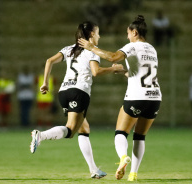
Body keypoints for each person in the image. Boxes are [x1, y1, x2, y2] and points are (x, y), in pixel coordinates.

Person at [30, 21, 125, 179]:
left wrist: (45, 83)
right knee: (70, 131)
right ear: (92, 35)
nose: (100, 36)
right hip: (79, 92)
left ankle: (94, 169)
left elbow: (49, 61)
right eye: (98, 32)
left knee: (84, 129)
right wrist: (113, 69)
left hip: (64, 92)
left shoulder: (68, 49)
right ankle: (40, 136)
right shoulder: (92, 51)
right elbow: (96, 72)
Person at [78, 15, 162, 181]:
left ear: (135, 32)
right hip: (155, 98)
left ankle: (123, 158)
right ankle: (133, 174)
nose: (127, 37)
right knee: (140, 136)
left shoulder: (132, 47)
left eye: (128, 33)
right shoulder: (152, 49)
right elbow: (141, 74)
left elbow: (112, 57)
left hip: (137, 96)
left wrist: (91, 47)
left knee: (121, 132)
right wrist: (123, 72)